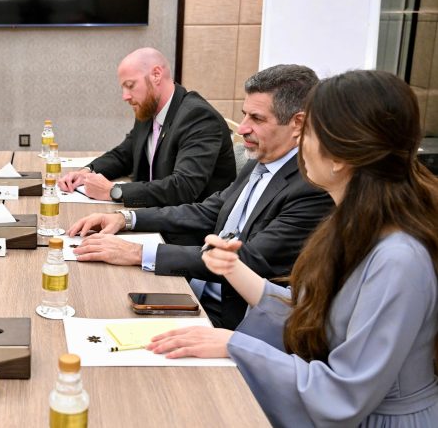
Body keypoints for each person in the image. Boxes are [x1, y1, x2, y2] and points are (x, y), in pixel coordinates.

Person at [149, 70, 438, 426]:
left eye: (309, 132)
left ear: (339, 157)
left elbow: (345, 394)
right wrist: (233, 269)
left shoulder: (398, 260)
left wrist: (235, 346)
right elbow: (315, 315)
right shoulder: (352, 223)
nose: (299, 142)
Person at [68, 65, 334, 329]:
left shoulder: (311, 187)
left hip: (233, 320)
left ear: (297, 123)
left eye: (257, 119)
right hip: (197, 290)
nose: (242, 129)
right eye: (244, 115)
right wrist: (126, 218)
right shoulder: (262, 160)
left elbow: (248, 260)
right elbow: (209, 211)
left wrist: (137, 253)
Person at [57, 47, 236, 207]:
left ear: (156, 75)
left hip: (188, 226)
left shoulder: (197, 117)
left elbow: (183, 188)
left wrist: (113, 191)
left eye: (130, 86)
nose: (125, 96)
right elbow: (124, 155)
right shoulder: (149, 109)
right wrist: (87, 172)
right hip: (154, 213)